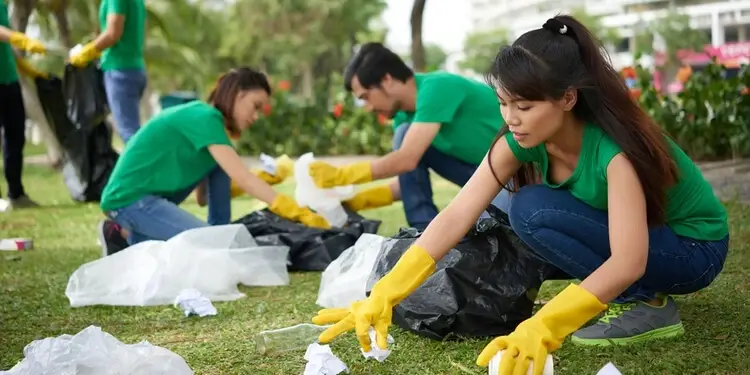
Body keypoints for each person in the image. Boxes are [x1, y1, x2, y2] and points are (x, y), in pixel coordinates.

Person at [310, 15, 729, 375]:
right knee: (523, 208)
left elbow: (628, 260)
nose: (511, 118)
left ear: (567, 98)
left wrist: (543, 326)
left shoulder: (614, 153)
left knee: (532, 209)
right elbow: (457, 215)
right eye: (503, 103)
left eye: (524, 107)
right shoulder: (520, 141)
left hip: (691, 250)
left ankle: (650, 305)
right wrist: (387, 290)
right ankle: (622, 297)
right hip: (645, 240)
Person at [96, 67, 330, 256]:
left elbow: (203, 198)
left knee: (222, 246)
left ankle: (123, 237)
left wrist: (223, 235)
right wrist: (296, 212)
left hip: (146, 202)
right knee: (213, 249)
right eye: (255, 106)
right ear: (238, 95)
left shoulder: (213, 133)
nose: (256, 116)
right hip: (128, 201)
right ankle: (125, 236)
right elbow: (244, 178)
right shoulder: (205, 117)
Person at [307, 42, 510, 231]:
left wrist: (342, 176)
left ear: (386, 80)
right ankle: (423, 232)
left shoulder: (437, 88)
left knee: (484, 231)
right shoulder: (404, 116)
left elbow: (406, 159)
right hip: (484, 175)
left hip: (518, 175)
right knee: (405, 134)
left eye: (366, 97)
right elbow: (409, 180)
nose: (368, 108)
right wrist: (359, 200)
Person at [69, 0, 146, 143]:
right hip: (135, 68)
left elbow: (113, 33)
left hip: (120, 71)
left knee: (129, 134)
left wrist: (89, 51)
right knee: (131, 130)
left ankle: (146, 165)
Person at [0, 2, 47, 209]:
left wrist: (24, 68)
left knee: (16, 136)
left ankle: (16, 194)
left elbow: (4, 46)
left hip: (9, 78)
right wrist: (20, 38)